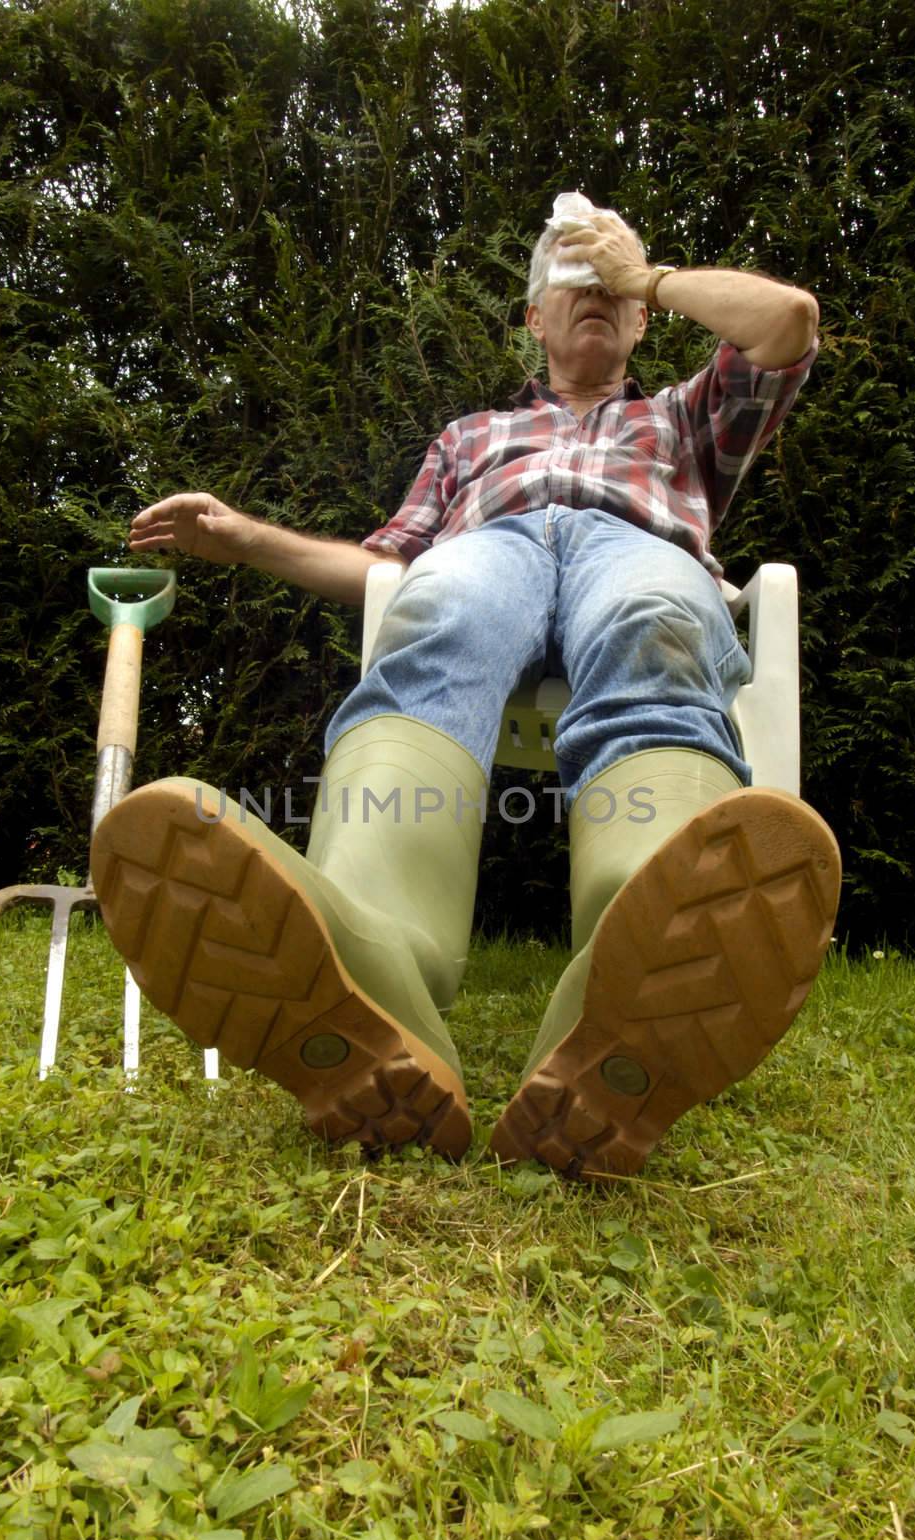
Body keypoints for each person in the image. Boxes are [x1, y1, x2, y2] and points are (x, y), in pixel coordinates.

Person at [91, 199, 840, 1180]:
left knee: (651, 615)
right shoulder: (470, 435)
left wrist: (643, 272)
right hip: (489, 547)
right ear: (531, 321)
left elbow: (786, 322)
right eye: (570, 279)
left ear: (641, 319)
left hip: (639, 549)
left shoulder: (682, 416)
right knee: (435, 612)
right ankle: (375, 962)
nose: (594, 292)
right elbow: (381, 567)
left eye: (611, 284)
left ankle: (632, 965)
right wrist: (244, 539)